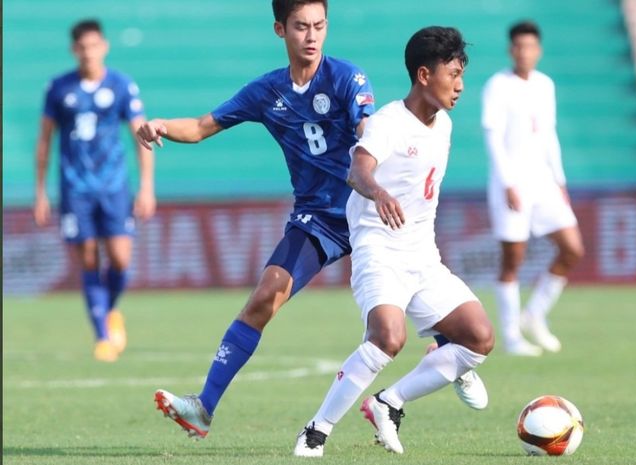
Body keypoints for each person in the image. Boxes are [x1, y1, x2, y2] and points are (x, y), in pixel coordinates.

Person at [136, 0, 376, 439]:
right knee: (265, 295)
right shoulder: (268, 92)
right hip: (316, 220)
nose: (311, 36)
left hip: (368, 212)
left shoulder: (347, 78)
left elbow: (368, 134)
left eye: (319, 26)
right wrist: (162, 126)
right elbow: (204, 125)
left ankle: (452, 356)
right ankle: (202, 408)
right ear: (279, 30)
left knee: (401, 317)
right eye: (301, 26)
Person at [294, 26, 494, 457]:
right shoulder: (388, 123)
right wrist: (380, 193)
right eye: (452, 74)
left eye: (462, 75)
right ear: (424, 74)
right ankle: (316, 431)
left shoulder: (444, 125)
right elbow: (359, 171)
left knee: (478, 337)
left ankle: (390, 402)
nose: (459, 85)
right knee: (388, 335)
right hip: (379, 249)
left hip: (422, 255)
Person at [33, 19, 156, 363]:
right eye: (82, 47)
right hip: (75, 189)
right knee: (87, 260)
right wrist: (40, 191)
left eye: (94, 46)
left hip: (114, 188)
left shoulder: (121, 85)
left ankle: (110, 310)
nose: (89, 53)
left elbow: (140, 136)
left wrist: (146, 186)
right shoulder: (58, 88)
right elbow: (44, 140)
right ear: (75, 50)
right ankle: (102, 335)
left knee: (120, 259)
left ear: (104, 46)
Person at [482, 20, 585, 356]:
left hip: (544, 182)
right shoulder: (498, 86)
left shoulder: (545, 85)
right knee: (513, 258)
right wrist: (508, 182)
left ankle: (534, 314)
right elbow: (493, 137)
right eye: (518, 46)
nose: (524, 52)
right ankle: (511, 336)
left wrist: (560, 180)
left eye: (530, 47)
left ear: (538, 50)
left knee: (572, 248)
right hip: (511, 184)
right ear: (511, 50)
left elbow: (549, 136)